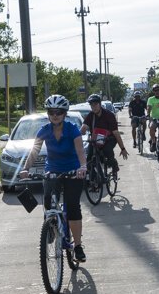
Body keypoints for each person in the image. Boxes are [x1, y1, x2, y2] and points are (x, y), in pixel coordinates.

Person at [20, 94, 88, 262]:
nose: (55, 115)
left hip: (73, 171)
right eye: (52, 112)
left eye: (59, 112)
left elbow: (80, 151)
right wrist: (25, 169)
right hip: (53, 170)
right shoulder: (43, 130)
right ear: (48, 114)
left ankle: (78, 246)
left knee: (72, 207)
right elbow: (34, 151)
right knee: (49, 202)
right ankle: (50, 226)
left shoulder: (72, 129)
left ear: (64, 113)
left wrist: (82, 167)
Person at [80, 93, 128, 175]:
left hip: (109, 139)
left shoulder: (109, 115)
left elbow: (116, 133)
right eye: (91, 105)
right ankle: (96, 178)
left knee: (107, 150)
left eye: (95, 104)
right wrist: (81, 131)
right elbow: (83, 127)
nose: (93, 107)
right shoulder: (91, 115)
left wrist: (122, 149)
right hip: (95, 140)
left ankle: (114, 165)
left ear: (100, 104)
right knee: (89, 159)